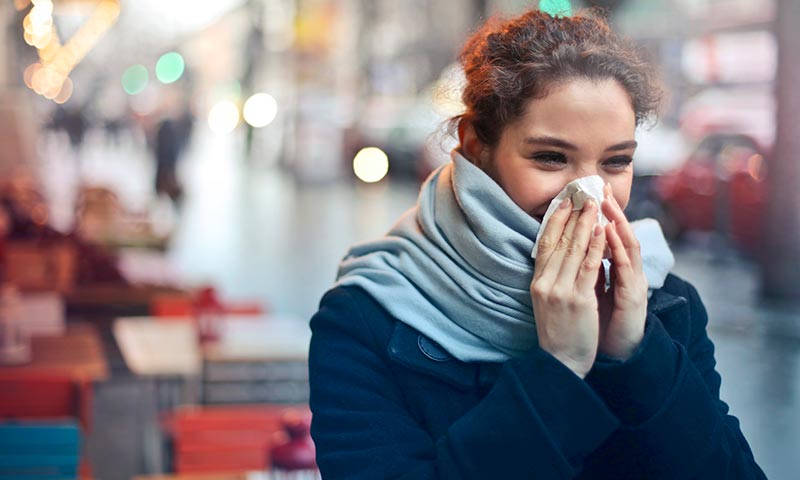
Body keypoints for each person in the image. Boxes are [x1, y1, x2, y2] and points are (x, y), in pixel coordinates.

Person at [308, 9, 766, 479]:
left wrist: (637, 354)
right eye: (550, 158)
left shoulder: (666, 305)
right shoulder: (367, 318)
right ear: (475, 145)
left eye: (615, 162)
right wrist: (559, 366)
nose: (590, 195)